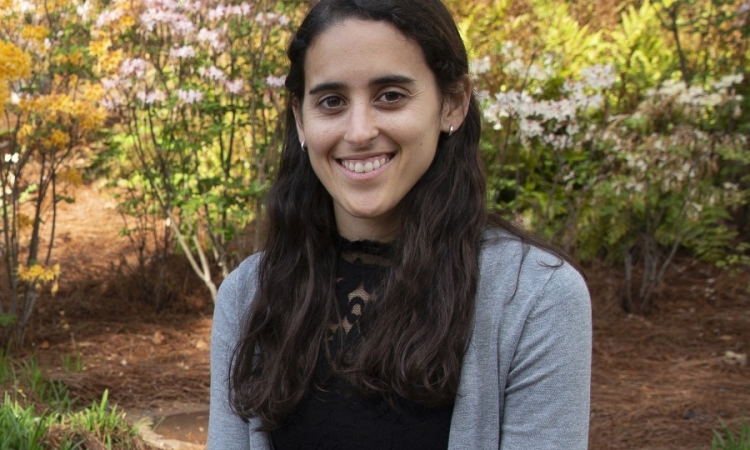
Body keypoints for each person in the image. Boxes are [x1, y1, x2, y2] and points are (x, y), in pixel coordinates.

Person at [207, 0, 592, 448]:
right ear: (300, 118)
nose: (358, 131)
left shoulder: (534, 299)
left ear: (453, 104)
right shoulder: (249, 294)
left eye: (390, 95)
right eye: (331, 102)